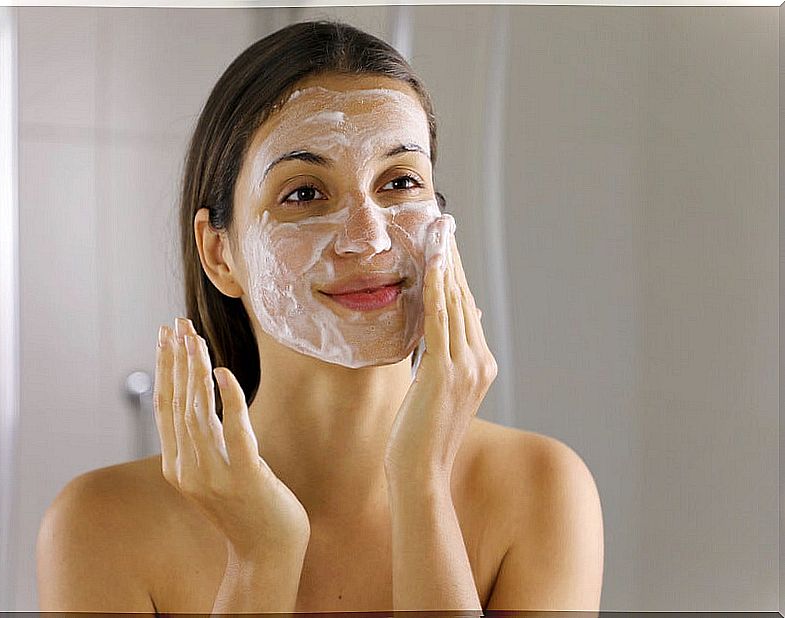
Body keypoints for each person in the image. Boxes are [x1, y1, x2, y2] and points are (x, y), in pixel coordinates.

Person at [36, 19, 604, 615]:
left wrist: (421, 484)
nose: (369, 239)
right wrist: (262, 556)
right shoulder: (100, 525)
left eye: (400, 182)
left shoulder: (543, 490)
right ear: (219, 253)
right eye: (305, 193)